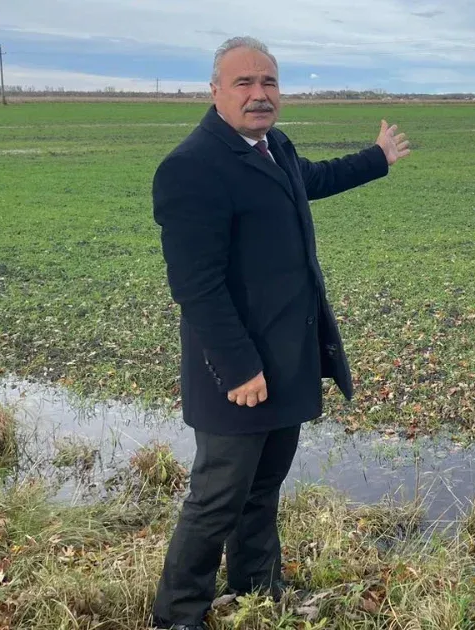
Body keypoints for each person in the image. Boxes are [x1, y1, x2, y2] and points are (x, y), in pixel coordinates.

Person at [149, 36, 410, 630]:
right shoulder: (191, 168)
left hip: (287, 357)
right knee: (216, 500)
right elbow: (197, 287)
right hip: (236, 369)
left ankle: (257, 591)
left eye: (268, 83)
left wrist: (376, 158)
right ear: (215, 91)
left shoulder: (274, 146)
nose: (259, 94)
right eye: (244, 83)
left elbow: (308, 181)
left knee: (262, 490)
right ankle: (177, 616)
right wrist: (239, 368)